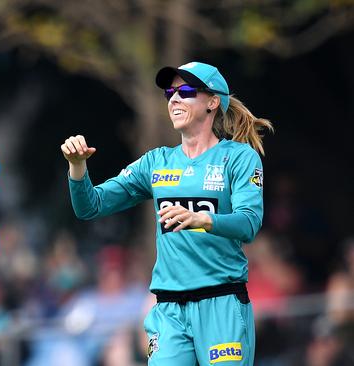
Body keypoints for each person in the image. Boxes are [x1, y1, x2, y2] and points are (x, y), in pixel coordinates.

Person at [61, 61, 274, 365]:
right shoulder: (156, 162)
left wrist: (203, 220)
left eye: (185, 91)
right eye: (169, 93)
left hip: (221, 302)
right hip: (169, 310)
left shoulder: (239, 158)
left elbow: (249, 223)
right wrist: (77, 168)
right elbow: (90, 207)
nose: (174, 98)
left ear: (212, 102)